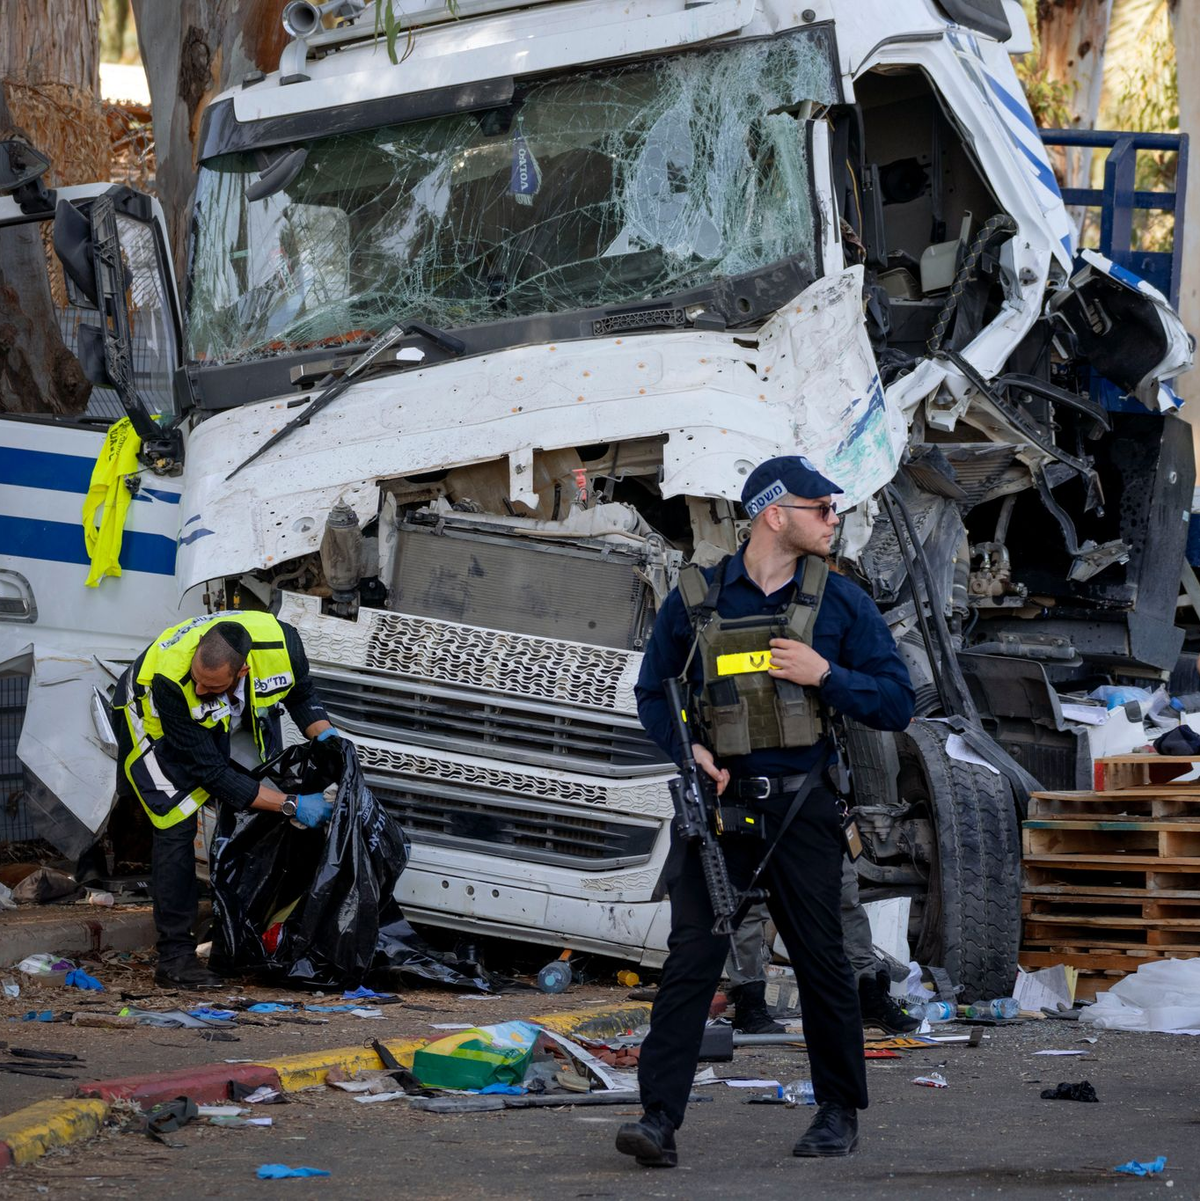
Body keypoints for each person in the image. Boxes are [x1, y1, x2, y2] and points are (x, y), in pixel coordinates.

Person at [616, 455, 915, 1168]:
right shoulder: (698, 600)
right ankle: (657, 1117)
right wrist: (689, 749)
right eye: (823, 507)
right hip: (721, 815)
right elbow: (653, 693)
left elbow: (896, 700)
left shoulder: (842, 604)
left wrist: (827, 676)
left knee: (824, 965)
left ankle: (838, 1111)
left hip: (803, 810)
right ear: (776, 512)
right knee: (692, 961)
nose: (833, 518)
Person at [112, 612, 338, 989]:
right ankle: (174, 959)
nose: (201, 689)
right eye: (198, 680)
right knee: (174, 821)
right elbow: (212, 774)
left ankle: (236, 938)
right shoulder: (172, 679)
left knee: (249, 806)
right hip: (149, 718)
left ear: (243, 672)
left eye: (212, 686)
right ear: (196, 655)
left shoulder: (285, 646)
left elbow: (300, 694)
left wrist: (329, 738)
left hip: (207, 723)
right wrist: (291, 804)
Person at [727, 863, 919, 1036]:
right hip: (761, 826)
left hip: (818, 824)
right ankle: (749, 1004)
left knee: (843, 891)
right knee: (748, 899)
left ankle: (866, 994)